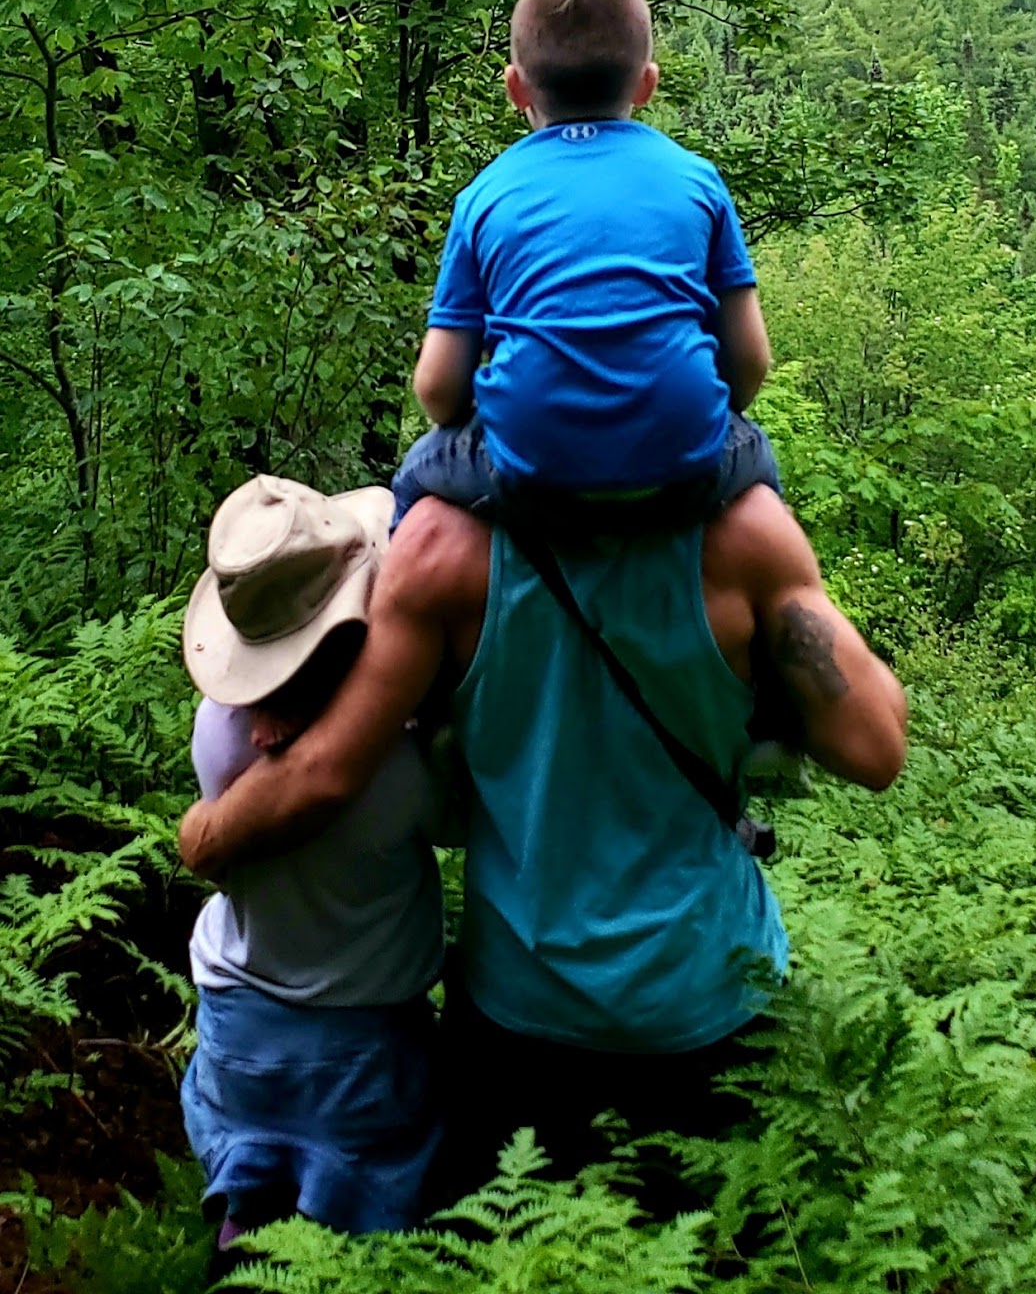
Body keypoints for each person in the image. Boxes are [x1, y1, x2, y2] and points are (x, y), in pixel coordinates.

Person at [179, 483, 906, 1194]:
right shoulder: (745, 533)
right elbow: (877, 748)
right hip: (711, 998)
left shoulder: (439, 546)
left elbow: (328, 768)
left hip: (518, 1016)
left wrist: (207, 833)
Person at [392, 0, 779, 533]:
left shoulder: (486, 195)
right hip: (684, 466)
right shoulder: (697, 181)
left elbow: (438, 391)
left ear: (514, 88)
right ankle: (769, 598)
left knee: (415, 473)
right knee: (758, 464)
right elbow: (750, 363)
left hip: (530, 474)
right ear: (646, 84)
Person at [178, 477, 444, 1245]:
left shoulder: (216, 731)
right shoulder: (395, 768)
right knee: (367, 1214)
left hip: (240, 1025)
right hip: (365, 1041)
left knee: (251, 1193)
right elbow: (456, 818)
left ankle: (241, 1244)